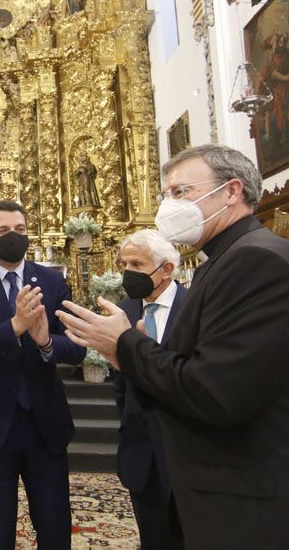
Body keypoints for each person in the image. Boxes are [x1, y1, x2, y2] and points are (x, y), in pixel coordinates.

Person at [58, 144, 289, 548]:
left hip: (273, 505)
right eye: (165, 194)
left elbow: (215, 391)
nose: (167, 205)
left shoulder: (259, 262)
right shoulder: (229, 258)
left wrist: (125, 345)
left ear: (231, 191)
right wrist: (127, 352)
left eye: (180, 192)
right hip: (249, 492)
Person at [0, 200, 86, 549]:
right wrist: (15, 326)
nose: (14, 237)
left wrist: (45, 342)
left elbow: (77, 348)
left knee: (55, 525)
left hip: (45, 423)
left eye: (21, 230)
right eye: (3, 231)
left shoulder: (53, 280)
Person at [112, 230, 187, 549]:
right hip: (142, 447)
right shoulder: (123, 311)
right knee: (153, 536)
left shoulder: (196, 305)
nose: (128, 271)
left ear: (167, 269)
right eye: (124, 263)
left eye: (137, 264)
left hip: (190, 444)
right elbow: (119, 383)